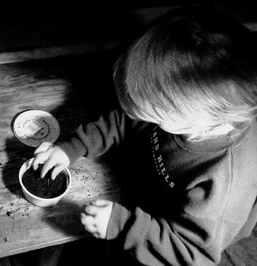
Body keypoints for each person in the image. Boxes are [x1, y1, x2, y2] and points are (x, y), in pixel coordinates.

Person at [32, 7, 257, 266]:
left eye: (157, 116)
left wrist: (125, 227)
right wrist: (72, 147)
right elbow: (127, 120)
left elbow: (192, 256)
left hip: (170, 236)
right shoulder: (188, 114)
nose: (146, 118)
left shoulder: (221, 187)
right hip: (149, 191)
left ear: (210, 122)